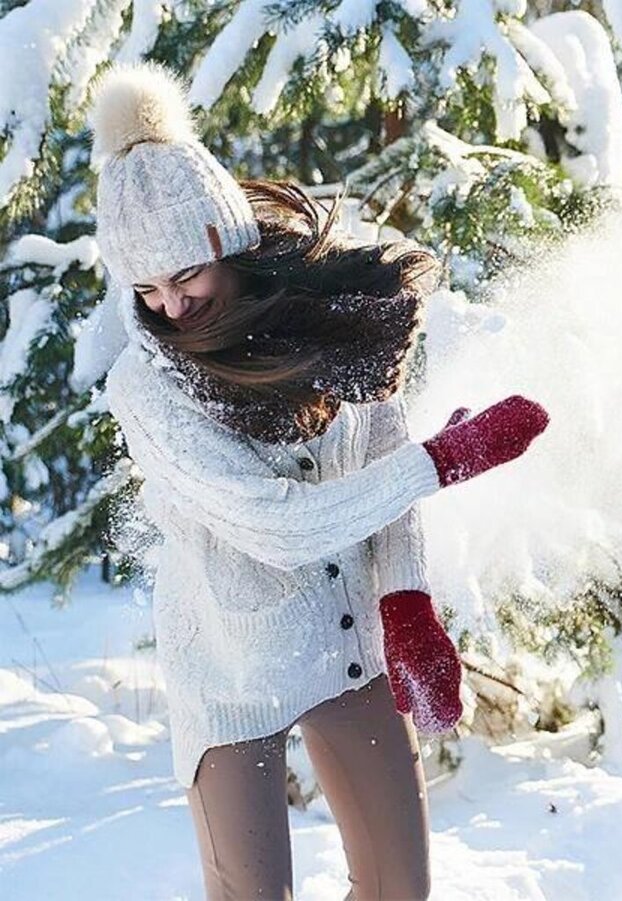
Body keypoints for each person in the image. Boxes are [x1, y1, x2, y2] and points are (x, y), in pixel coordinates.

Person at [90, 62, 549, 901]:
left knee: (398, 887)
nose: (171, 307)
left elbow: (381, 457)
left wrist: (405, 601)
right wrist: (443, 463)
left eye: (184, 278)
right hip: (228, 666)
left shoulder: (334, 323)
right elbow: (281, 524)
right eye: (147, 291)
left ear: (227, 242)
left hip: (339, 647)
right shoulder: (148, 385)